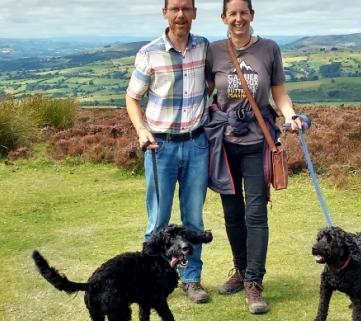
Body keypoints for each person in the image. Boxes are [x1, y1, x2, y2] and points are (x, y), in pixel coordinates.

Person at [204, 0, 305, 314]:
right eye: (232, 14)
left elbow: (279, 92)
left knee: (256, 214)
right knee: (232, 214)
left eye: (243, 13)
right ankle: (241, 270)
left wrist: (290, 115)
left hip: (257, 141)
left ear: (252, 16)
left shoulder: (269, 48)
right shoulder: (214, 51)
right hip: (224, 143)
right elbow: (205, 91)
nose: (238, 19)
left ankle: (254, 282)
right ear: (224, 17)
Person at [125, 0, 211, 304]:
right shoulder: (149, 53)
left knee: (194, 221)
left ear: (194, 13)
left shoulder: (204, 47)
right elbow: (132, 97)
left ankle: (191, 280)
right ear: (165, 13)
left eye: (186, 8)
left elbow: (213, 83)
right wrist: (141, 130)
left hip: (197, 144)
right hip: (159, 147)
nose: (180, 15)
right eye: (174, 8)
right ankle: (151, 280)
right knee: (158, 222)